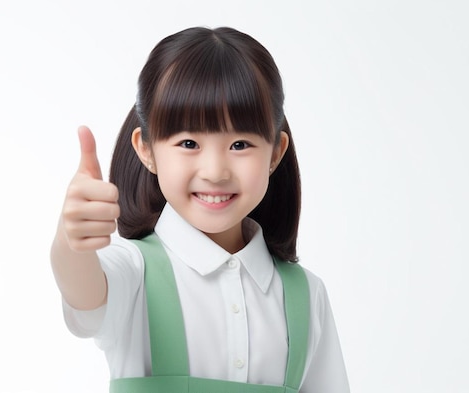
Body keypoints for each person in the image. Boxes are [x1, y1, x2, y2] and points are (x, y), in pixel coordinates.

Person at [51, 26, 349, 392]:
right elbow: (83, 292)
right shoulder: (133, 271)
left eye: (240, 144)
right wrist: (71, 241)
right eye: (189, 142)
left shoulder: (306, 295)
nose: (215, 172)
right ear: (146, 149)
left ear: (275, 152)